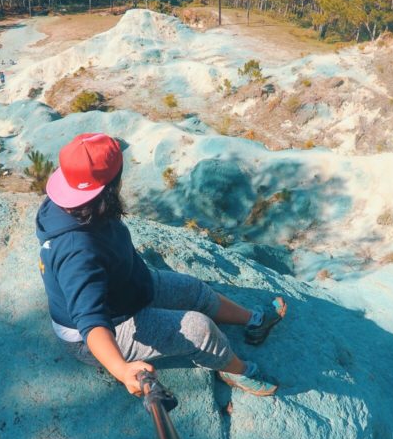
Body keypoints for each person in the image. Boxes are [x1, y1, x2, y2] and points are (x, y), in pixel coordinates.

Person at [35, 133, 286, 398]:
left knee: (193, 290)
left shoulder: (75, 200)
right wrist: (121, 369)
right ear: (113, 184)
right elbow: (90, 320)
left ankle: (254, 321)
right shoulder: (77, 250)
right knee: (199, 330)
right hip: (98, 330)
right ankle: (236, 371)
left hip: (126, 287)